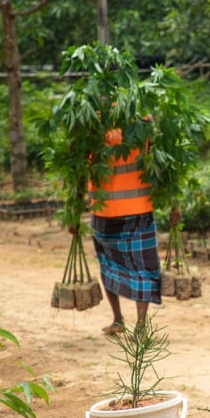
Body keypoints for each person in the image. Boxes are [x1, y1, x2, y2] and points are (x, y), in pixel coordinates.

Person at [79, 127, 178, 335]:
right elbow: (78, 169)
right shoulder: (138, 124)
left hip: (119, 209)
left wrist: (175, 205)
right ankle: (129, 323)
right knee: (131, 267)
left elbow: (165, 164)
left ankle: (127, 322)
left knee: (115, 266)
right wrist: (174, 206)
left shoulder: (97, 125)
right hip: (126, 209)